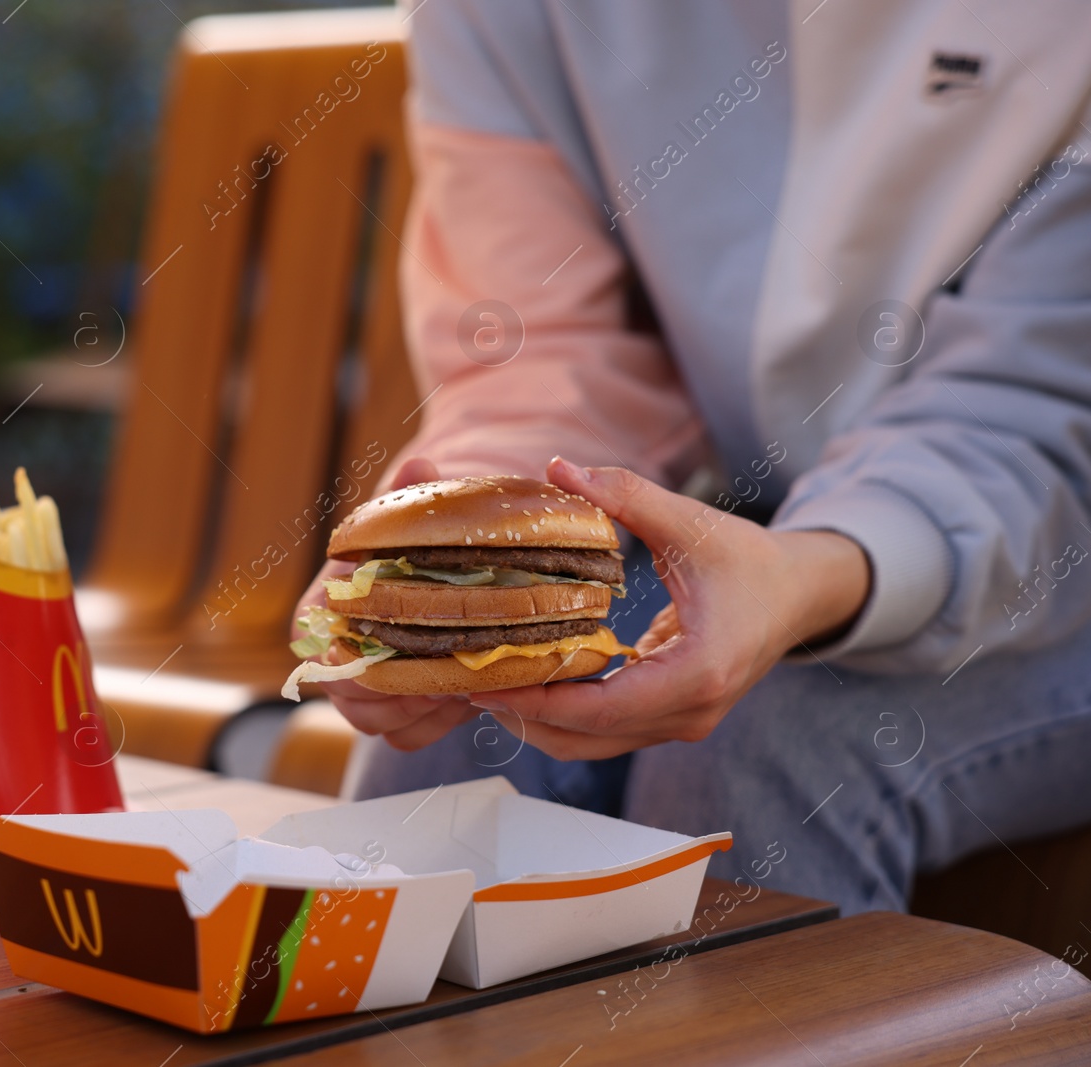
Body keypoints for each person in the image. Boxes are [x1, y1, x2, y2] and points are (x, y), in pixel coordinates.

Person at [295, 0, 1091, 914]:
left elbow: (1036, 406)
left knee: (770, 733)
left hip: (1052, 564)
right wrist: (457, 577)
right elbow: (538, 347)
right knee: (470, 724)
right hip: (766, 528)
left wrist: (810, 576)